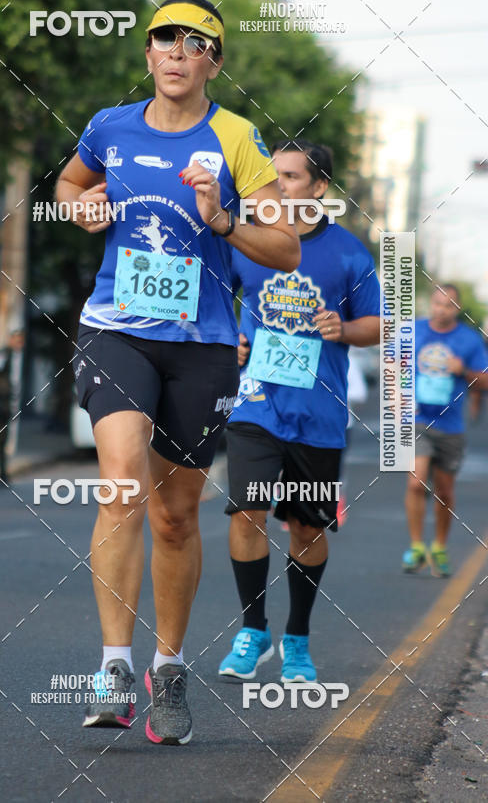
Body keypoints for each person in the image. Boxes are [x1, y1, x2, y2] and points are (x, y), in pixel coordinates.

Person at [55, 0, 300, 744]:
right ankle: (112, 667)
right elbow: (69, 186)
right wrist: (81, 209)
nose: (176, 50)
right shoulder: (109, 126)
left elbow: (284, 249)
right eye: (164, 37)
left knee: (172, 513)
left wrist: (222, 218)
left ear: (212, 61)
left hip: (201, 346)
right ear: (149, 53)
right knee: (122, 484)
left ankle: (168, 667)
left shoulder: (236, 139)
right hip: (116, 331)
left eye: (194, 42)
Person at [218, 140, 380, 684]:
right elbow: (217, 303)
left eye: (289, 176)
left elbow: (379, 323)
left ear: (318, 188)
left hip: (318, 415)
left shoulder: (350, 254)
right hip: (255, 405)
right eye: (273, 176)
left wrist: (344, 328)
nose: (278, 185)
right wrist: (232, 342)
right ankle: (252, 629)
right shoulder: (249, 242)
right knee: (246, 510)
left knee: (307, 530)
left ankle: (298, 639)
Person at [402, 284, 488, 577]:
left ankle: (438, 546)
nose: (442, 309)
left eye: (449, 305)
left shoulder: (469, 340)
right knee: (416, 483)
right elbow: (392, 366)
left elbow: (484, 382)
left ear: (458, 309)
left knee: (445, 491)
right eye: (438, 303)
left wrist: (462, 371)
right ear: (431, 303)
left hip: (451, 425)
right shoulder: (412, 330)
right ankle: (416, 546)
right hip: (417, 420)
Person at [0, 324, 25, 483]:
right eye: (17, 340)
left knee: (2, 440)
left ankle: (3, 474)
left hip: (7, 404)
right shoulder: (4, 354)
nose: (19, 343)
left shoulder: (17, 356)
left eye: (21, 341)